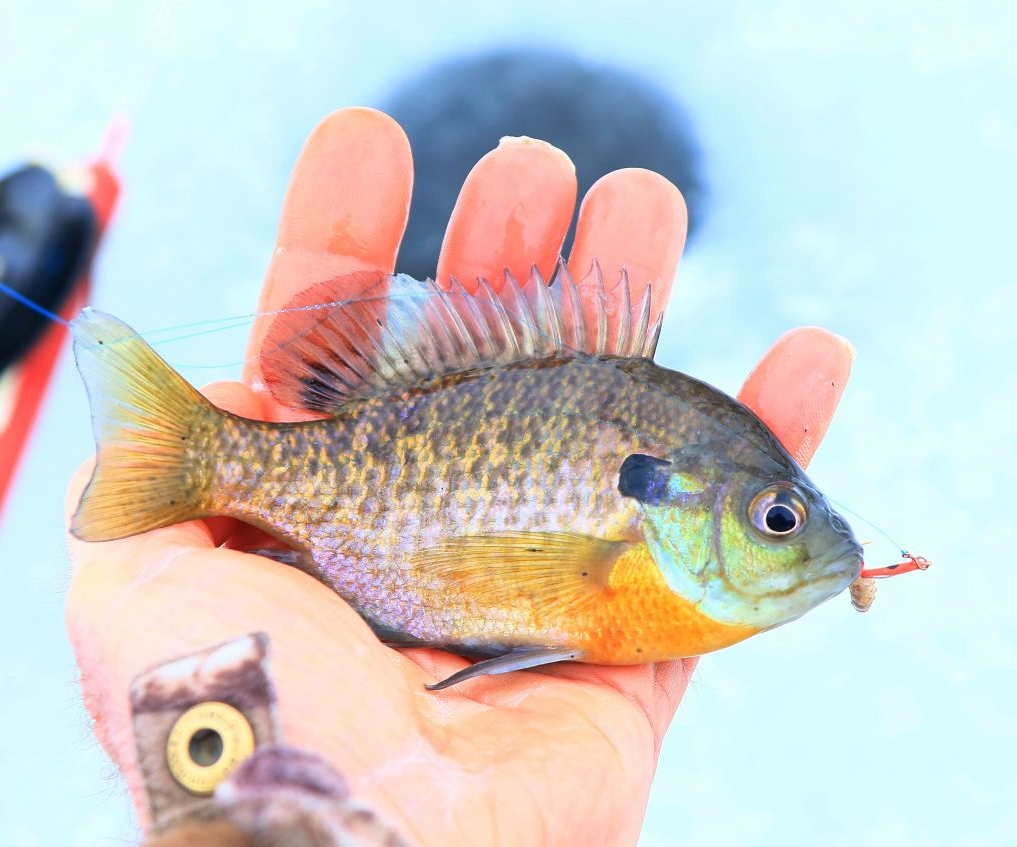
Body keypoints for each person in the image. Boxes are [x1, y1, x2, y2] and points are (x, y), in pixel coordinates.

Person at [64, 107, 853, 846]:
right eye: (776, 519)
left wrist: (228, 798)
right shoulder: (639, 580)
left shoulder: (658, 582)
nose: (797, 540)